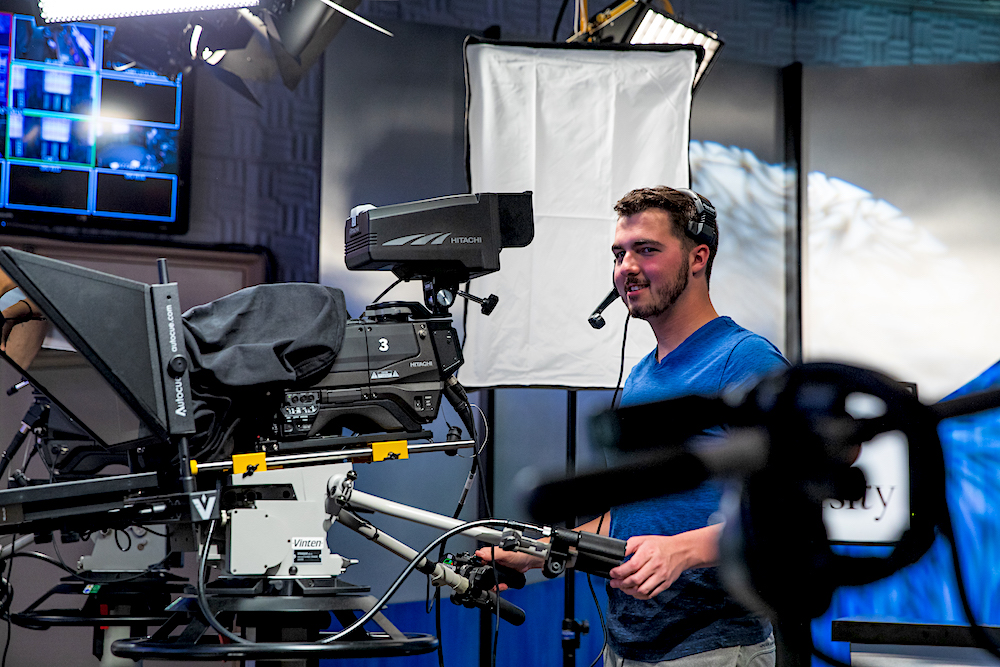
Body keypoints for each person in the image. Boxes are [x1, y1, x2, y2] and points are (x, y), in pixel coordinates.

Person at [477, 186, 788, 667]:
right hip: (626, 647)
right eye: (619, 253)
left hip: (714, 648)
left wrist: (683, 551)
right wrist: (539, 551)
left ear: (698, 256)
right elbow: (633, 519)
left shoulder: (743, 359)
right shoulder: (643, 374)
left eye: (647, 249)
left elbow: (787, 510)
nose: (626, 267)